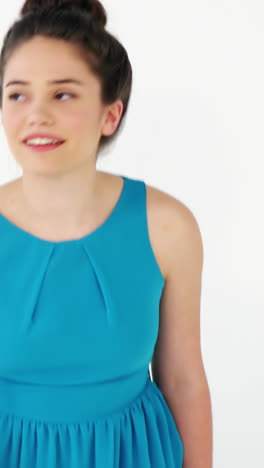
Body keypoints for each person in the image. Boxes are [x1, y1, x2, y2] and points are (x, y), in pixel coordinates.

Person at [0, 1, 213, 467]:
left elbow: (182, 378)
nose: (36, 114)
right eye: (18, 95)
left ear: (110, 115)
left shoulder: (167, 227)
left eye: (63, 95)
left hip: (131, 454)